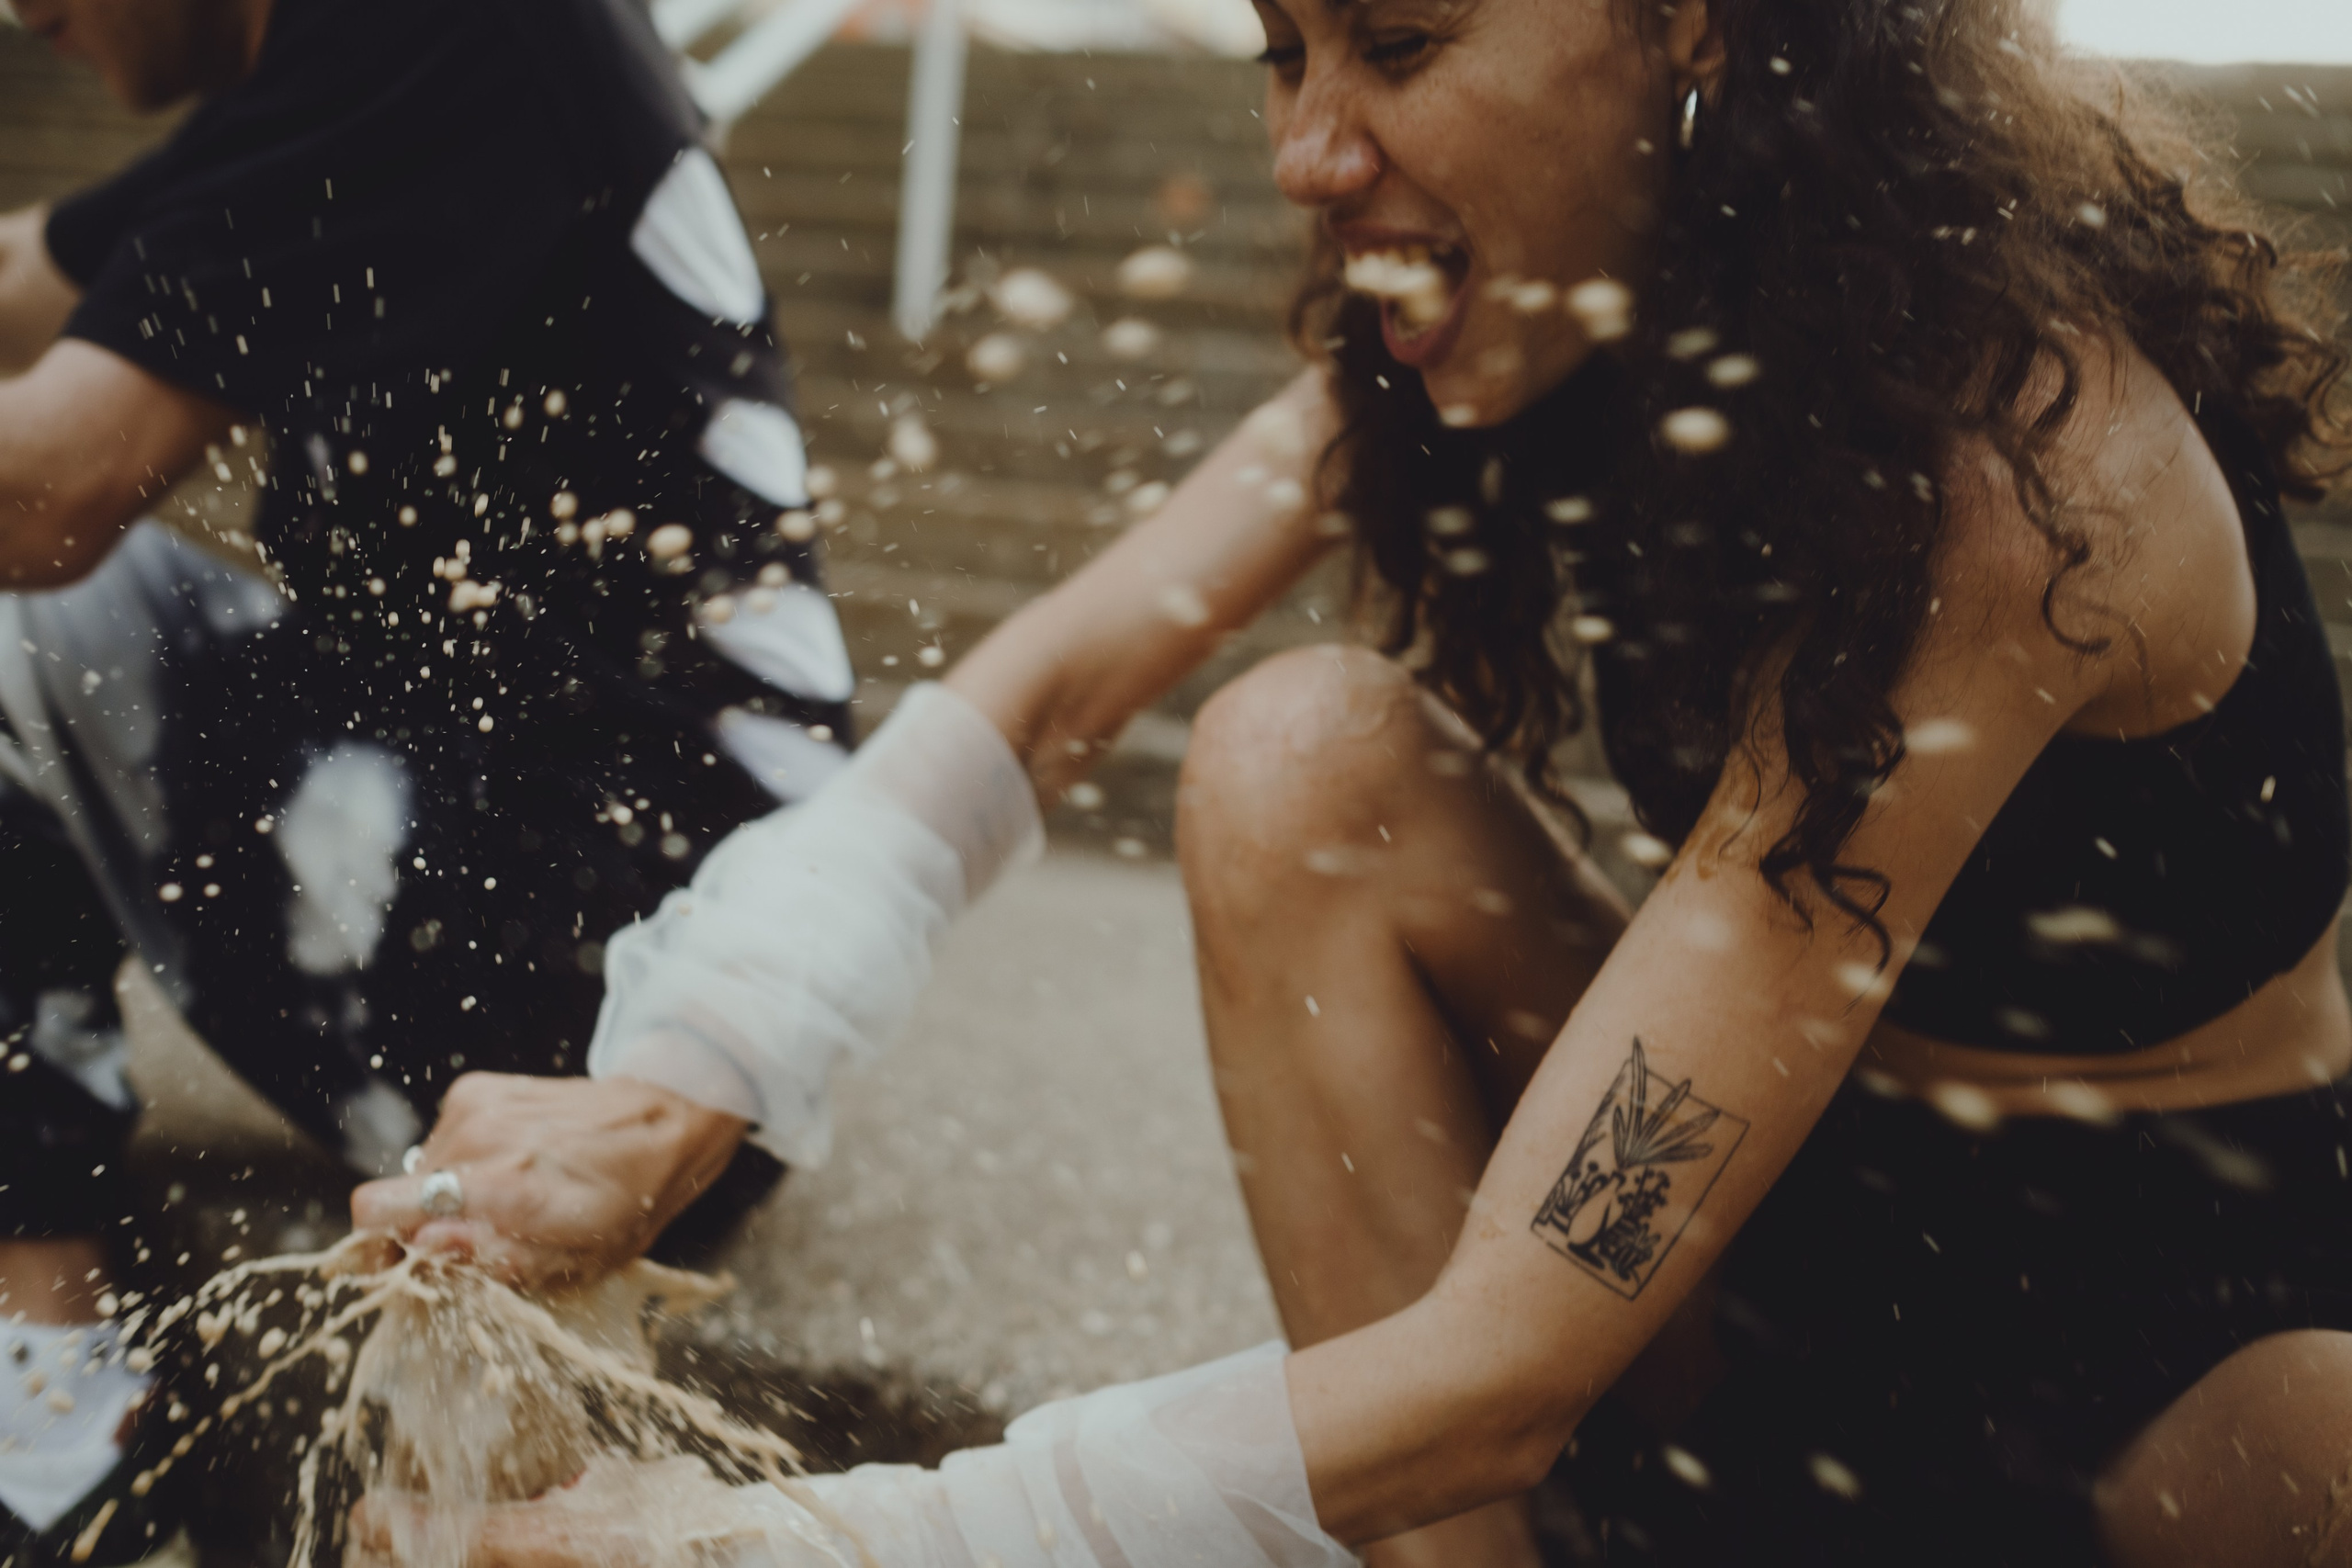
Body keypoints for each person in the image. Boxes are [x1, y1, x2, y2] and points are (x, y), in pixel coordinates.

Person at [363, 0, 2352, 1562]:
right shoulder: (1524, 317)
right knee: (1296, 750)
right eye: (1280, 52)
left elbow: (1508, 1349)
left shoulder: (2021, 467)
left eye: (1397, 43)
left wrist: (799, 1541)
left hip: (2171, 1320)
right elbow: (1055, 682)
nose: (1311, 151)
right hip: (1772, 1246)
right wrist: (669, 1090)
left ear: (1700, 23)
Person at [0, 0, 860, 1558]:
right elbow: (23, 276)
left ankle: (44, 1377)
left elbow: (45, 489)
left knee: (22, 610)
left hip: (639, 1025)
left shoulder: (456, 26)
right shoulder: (354, 73)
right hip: (549, 921)